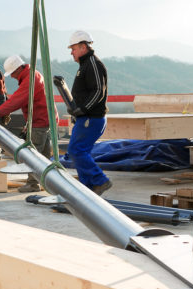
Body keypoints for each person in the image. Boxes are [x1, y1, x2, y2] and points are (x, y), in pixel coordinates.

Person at [0, 55, 58, 193]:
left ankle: (33, 184)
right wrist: (29, 122)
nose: (11, 77)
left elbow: (16, 101)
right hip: (47, 120)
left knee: (33, 155)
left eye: (12, 74)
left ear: (17, 70)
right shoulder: (34, 74)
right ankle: (48, 183)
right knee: (44, 156)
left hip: (40, 122)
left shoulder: (30, 79)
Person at [67, 30, 112, 195]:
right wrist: (77, 110)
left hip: (92, 118)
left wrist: (83, 109)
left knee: (76, 150)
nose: (71, 52)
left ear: (83, 46)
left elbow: (99, 91)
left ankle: (100, 180)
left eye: (73, 48)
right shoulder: (85, 65)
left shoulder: (93, 63)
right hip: (85, 117)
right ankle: (88, 189)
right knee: (78, 151)